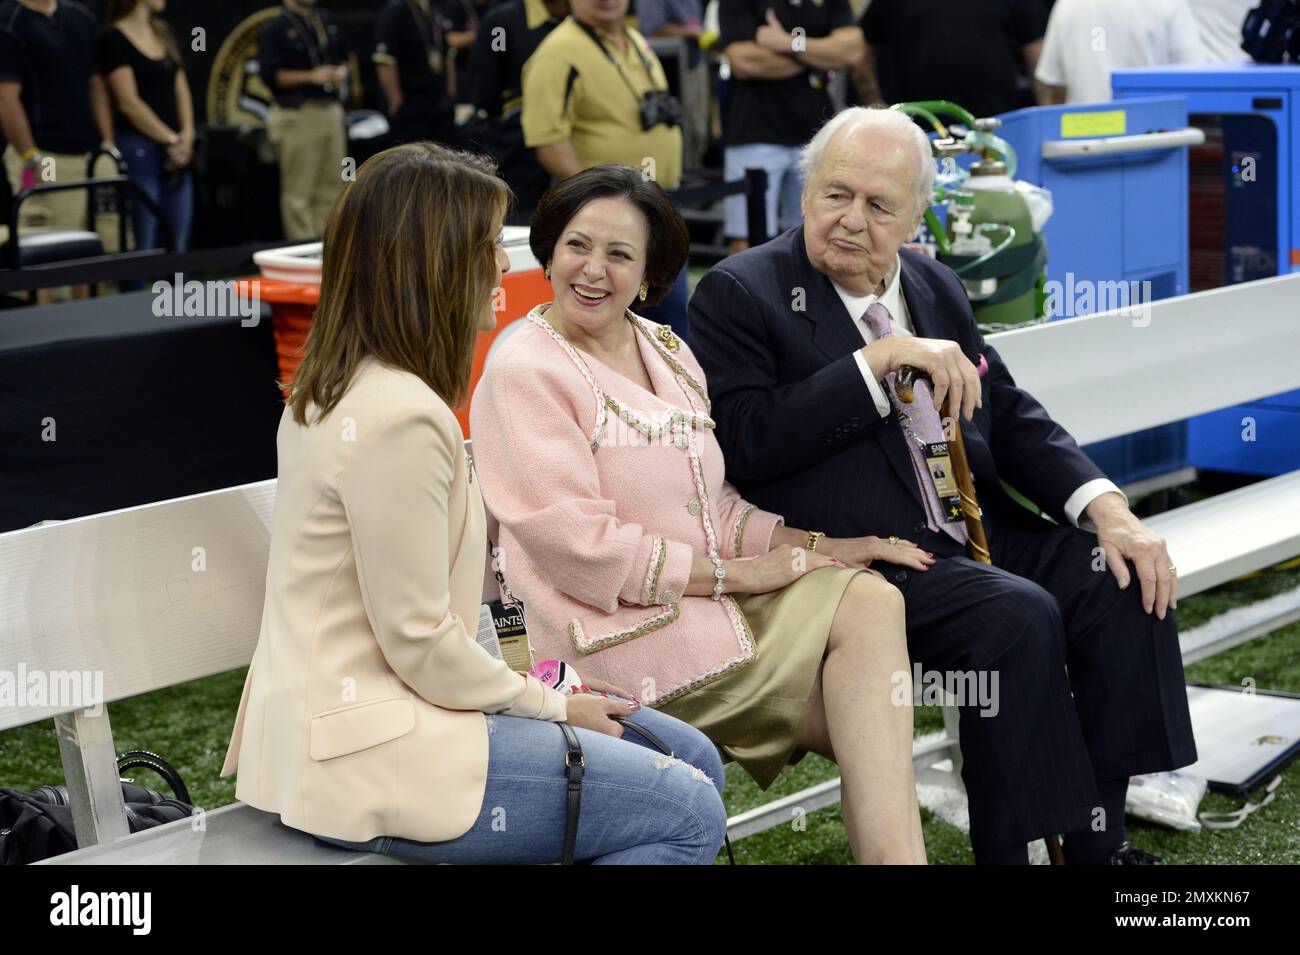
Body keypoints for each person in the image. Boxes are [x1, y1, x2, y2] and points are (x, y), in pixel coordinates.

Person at [688, 106, 1198, 864]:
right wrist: (877, 361)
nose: (851, 220)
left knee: (1118, 575)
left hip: (969, 532)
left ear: (915, 215)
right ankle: (1015, 850)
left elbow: (1012, 415)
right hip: (863, 565)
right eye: (836, 194)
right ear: (804, 196)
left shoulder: (935, 283)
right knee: (1016, 615)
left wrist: (1108, 506)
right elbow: (750, 442)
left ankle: (1099, 844)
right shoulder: (742, 291)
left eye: (878, 204)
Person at [220, 143, 728, 866]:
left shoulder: (347, 386)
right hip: (370, 750)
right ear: (436, 263)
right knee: (687, 810)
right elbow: (420, 640)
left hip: (377, 721)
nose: (503, 266)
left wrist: (541, 686)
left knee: (689, 754)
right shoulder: (397, 414)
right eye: (488, 247)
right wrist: (554, 706)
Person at [471, 165, 929, 864]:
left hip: (701, 612)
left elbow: (712, 502)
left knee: (868, 601)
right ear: (549, 249)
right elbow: (577, 544)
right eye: (576, 245)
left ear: (651, 273)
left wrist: (819, 544)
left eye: (619, 255)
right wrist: (737, 577)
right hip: (602, 640)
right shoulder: (524, 366)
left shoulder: (667, 349)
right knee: (868, 720)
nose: (593, 270)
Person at [521, 0, 690, 336]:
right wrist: (598, 206)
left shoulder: (635, 38)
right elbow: (549, 141)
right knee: (620, 328)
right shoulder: (558, 51)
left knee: (667, 329)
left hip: (657, 210)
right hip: (610, 226)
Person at [717, 0, 864, 255]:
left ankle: (804, 296)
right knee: (747, 240)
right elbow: (745, 61)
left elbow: (851, 50)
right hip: (754, 133)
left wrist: (788, 43)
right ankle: (751, 296)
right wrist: (820, 55)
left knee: (816, 236)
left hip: (816, 135)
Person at [0, 0, 117, 271]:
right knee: (47, 250)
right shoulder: (9, 21)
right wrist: (31, 156)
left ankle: (91, 310)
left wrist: (108, 143)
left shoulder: (81, 18)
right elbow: (6, 99)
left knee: (96, 247)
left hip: (90, 156)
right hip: (44, 158)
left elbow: (95, 83)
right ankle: (47, 312)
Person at [98, 0, 195, 252]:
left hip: (177, 152)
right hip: (138, 148)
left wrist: (187, 135)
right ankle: (135, 291)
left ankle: (178, 292)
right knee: (144, 241)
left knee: (178, 240)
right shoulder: (113, 38)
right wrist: (171, 140)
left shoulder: (164, 32)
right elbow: (128, 103)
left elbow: (181, 89)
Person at [465, 0, 568, 223]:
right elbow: (485, 92)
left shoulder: (589, 20)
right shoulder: (501, 24)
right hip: (517, 152)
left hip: (577, 149)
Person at [854, 0, 1048, 117]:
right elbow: (859, 47)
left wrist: (1046, 115)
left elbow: (1036, 53)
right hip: (917, 129)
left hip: (993, 126)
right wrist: (872, 101)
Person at [258, 0, 349, 239]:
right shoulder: (275, 28)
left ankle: (328, 253)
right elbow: (271, 76)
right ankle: (302, 258)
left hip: (330, 109)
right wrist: (311, 76)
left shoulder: (325, 20)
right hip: (298, 113)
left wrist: (340, 73)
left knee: (332, 189)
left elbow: (342, 57)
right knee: (299, 194)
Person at [1034, 0, 1204, 105]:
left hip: (1083, 136)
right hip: (1151, 132)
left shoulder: (1068, 4)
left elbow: (1053, 82)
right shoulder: (1168, 3)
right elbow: (1192, 75)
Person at [372, 0, 461, 147]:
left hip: (438, 102)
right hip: (411, 104)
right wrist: (395, 101)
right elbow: (384, 60)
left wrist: (451, 92)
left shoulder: (433, 9)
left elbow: (448, 52)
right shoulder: (396, 9)